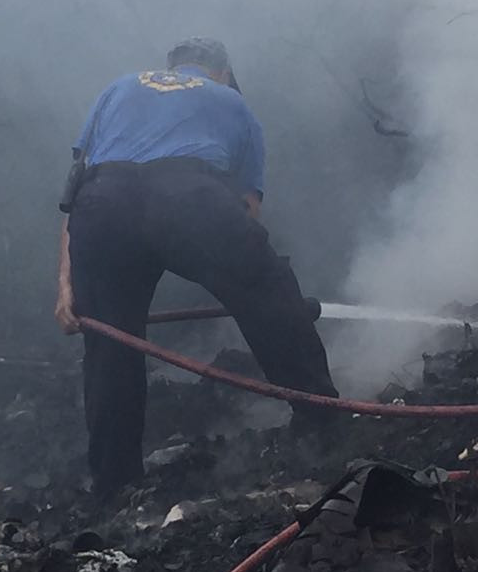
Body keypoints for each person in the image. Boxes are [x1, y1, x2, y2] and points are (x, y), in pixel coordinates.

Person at [54, 36, 339, 497]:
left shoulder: (119, 88)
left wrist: (67, 287)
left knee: (110, 342)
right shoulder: (231, 101)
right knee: (270, 287)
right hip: (188, 194)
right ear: (222, 72)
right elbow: (246, 209)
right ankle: (325, 425)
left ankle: (115, 486)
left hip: (103, 207)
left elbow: (76, 193)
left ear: (173, 67)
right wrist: (266, 298)